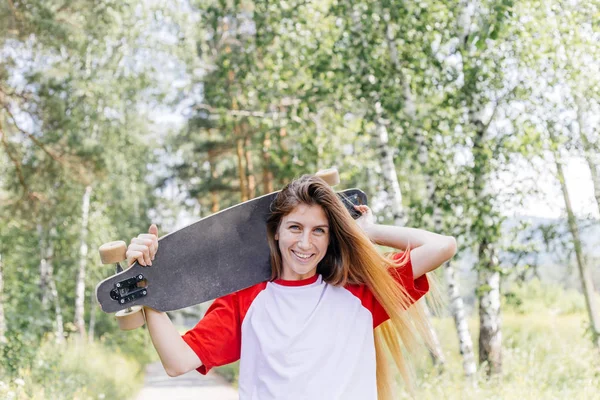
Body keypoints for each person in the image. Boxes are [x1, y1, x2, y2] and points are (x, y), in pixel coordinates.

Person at [126, 175, 457, 400]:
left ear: (332, 236)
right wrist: (147, 288)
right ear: (276, 232)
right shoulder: (247, 298)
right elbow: (177, 361)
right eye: (295, 227)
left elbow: (442, 246)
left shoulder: (359, 292)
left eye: (319, 231)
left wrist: (366, 231)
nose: (304, 243)